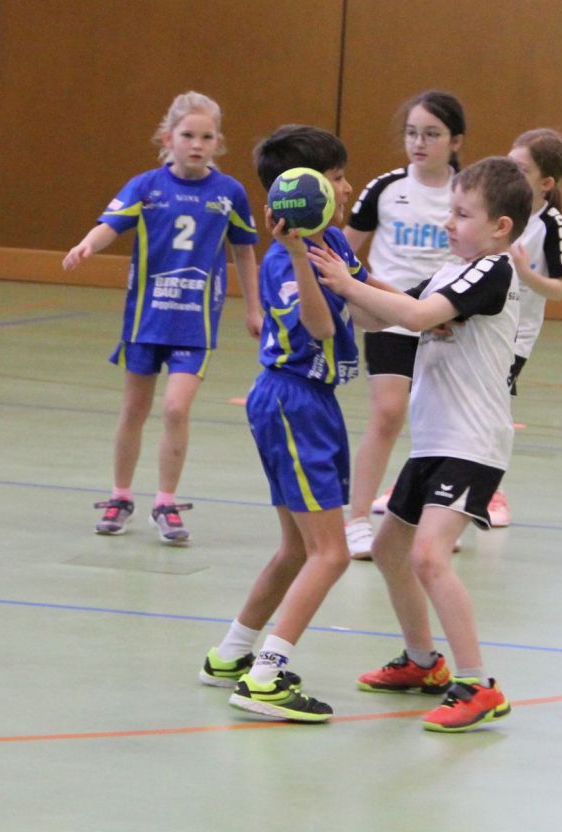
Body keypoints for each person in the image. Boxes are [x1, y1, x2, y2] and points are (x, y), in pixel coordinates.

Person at [309, 156, 531, 733]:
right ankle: (423, 662)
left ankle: (479, 685)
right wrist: (331, 267)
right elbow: (379, 314)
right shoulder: (449, 273)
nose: (448, 223)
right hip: (435, 442)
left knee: (429, 557)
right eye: (449, 211)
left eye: (462, 215)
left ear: (500, 227)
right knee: (390, 551)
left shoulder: (492, 271)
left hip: (472, 444)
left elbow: (412, 315)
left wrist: (351, 283)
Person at [204, 126, 363, 722]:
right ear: (306, 192)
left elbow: (366, 290)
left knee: (298, 548)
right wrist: (298, 254)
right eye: (338, 179)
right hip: (293, 402)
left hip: (307, 401)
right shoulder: (283, 263)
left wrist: (431, 311)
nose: (348, 188)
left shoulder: (334, 241)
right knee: (332, 553)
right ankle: (266, 677)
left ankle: (231, 654)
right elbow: (321, 327)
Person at [64, 92, 259, 543]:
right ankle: (120, 495)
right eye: (188, 135)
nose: (197, 144)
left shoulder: (229, 193)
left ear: (217, 142)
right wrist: (88, 244)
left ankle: (166, 502)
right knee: (134, 408)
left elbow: (244, 252)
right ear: (168, 138)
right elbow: (111, 224)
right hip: (146, 320)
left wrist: (254, 307)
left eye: (207, 137)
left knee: (175, 407)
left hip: (195, 322)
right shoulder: (147, 187)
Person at [341, 90, 465, 561]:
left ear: (455, 141)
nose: (419, 143)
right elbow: (345, 249)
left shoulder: (466, 193)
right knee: (389, 413)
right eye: (412, 133)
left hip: (447, 324)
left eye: (431, 134)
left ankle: (437, 520)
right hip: (392, 317)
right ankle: (356, 520)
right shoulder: (385, 189)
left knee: (445, 424)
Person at [491, 128, 562, 527]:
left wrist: (525, 273)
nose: (511, 173)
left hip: (514, 336)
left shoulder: (551, 225)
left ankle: (493, 493)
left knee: (493, 410)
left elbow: (559, 290)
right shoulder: (492, 206)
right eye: (509, 164)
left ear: (546, 183)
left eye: (522, 169)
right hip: (476, 323)